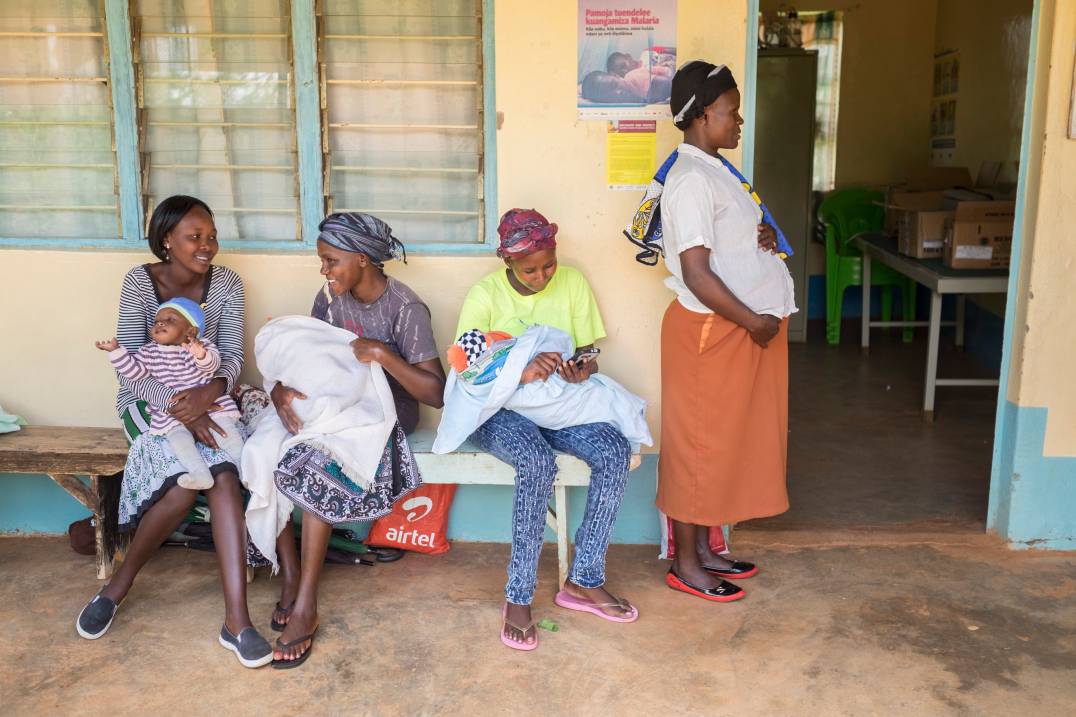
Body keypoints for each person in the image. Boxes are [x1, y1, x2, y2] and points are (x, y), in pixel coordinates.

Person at [75, 195, 272, 668]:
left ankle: (238, 623)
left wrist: (210, 395)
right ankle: (117, 587)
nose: (207, 245)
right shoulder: (141, 283)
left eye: (211, 236)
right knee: (184, 492)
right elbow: (130, 372)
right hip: (149, 405)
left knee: (224, 480)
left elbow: (232, 353)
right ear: (167, 240)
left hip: (213, 401)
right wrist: (187, 410)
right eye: (194, 236)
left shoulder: (226, 283)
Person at [267, 212, 446, 668]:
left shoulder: (405, 308)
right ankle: (293, 581)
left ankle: (305, 603)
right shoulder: (330, 299)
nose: (324, 271)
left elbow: (435, 393)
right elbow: (305, 356)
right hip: (337, 404)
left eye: (331, 261)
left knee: (319, 459)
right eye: (323, 262)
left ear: (362, 259)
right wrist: (279, 389)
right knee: (273, 448)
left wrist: (384, 354)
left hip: (386, 414)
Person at [456, 208, 637, 652]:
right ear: (508, 264)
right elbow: (467, 369)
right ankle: (518, 598)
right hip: (497, 410)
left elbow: (585, 350)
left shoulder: (572, 282)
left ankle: (583, 580)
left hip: (557, 404)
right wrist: (518, 369)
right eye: (529, 270)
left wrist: (581, 369)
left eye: (549, 264)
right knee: (536, 461)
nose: (542, 276)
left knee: (614, 448)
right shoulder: (484, 294)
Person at [656, 61, 795, 602]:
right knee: (699, 447)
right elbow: (696, 272)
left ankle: (707, 550)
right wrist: (754, 321)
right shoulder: (690, 180)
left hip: (735, 328)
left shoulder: (715, 171)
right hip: (712, 331)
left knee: (722, 443)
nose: (739, 121)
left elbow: (725, 245)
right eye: (731, 112)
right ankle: (686, 564)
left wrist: (756, 235)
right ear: (702, 116)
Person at [95, 298, 244, 490]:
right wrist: (116, 353)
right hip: (171, 414)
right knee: (179, 442)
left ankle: (245, 470)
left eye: (170, 320)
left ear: (190, 331)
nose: (161, 323)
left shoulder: (201, 346)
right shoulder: (147, 352)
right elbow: (135, 373)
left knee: (227, 433)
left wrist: (200, 355)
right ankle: (200, 474)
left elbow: (212, 367)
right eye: (157, 321)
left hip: (211, 405)